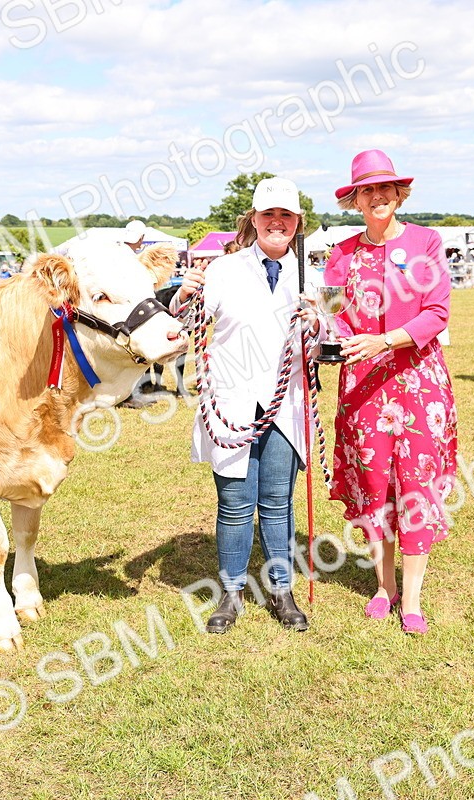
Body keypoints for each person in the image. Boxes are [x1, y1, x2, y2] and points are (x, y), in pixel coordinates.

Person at [169, 177, 316, 634]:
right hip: (231, 404)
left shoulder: (312, 275)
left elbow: (325, 343)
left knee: (278, 502)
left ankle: (280, 590)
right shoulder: (223, 270)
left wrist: (318, 322)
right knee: (234, 503)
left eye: (286, 216)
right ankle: (231, 594)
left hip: (286, 406)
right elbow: (182, 326)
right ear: (253, 220)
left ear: (297, 223)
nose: (277, 222)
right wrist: (181, 294)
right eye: (268, 214)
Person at [323, 149, 458, 635]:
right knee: (375, 486)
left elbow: (437, 312)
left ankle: (414, 597)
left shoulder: (426, 242)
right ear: (355, 199)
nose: (377, 197)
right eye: (367, 190)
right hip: (362, 386)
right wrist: (330, 336)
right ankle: (384, 586)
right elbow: (333, 315)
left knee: (416, 487)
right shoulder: (341, 255)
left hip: (419, 382)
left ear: (399, 194)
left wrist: (384, 340)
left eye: (385, 188)